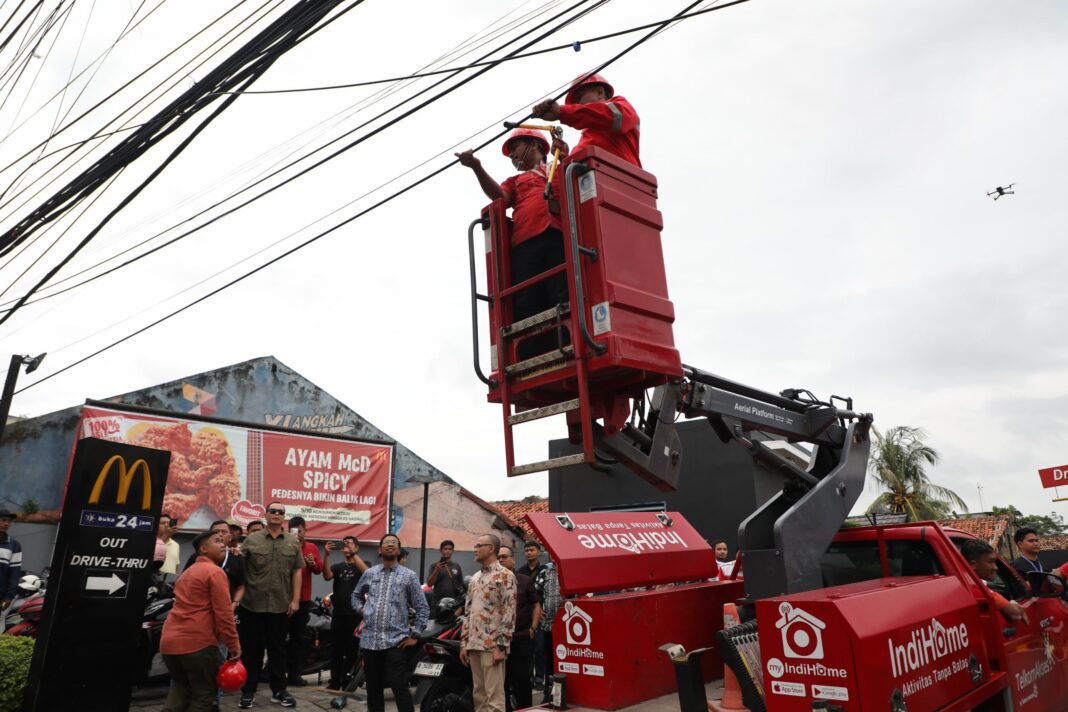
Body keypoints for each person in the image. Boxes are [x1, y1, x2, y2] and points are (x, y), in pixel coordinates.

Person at [456, 130, 570, 359]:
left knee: (560, 294)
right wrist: (477, 167)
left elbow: (576, 178)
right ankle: (531, 355)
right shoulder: (515, 181)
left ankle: (565, 346)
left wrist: (565, 154)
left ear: (535, 145)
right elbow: (500, 197)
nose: (511, 156)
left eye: (515, 147)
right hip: (525, 243)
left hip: (555, 234)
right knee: (528, 300)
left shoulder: (560, 167)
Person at [159, 530, 242, 712]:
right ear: (203, 549)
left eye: (223, 541)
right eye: (217, 541)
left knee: (180, 691)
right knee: (203, 696)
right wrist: (234, 645)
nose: (223, 544)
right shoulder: (214, 572)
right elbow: (224, 614)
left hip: (169, 644)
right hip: (197, 645)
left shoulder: (187, 573)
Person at [237, 502, 304, 709]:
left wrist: (295, 600)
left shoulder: (292, 543)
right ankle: (248, 692)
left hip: (280, 606)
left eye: (281, 512)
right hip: (251, 605)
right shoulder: (252, 540)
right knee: (251, 651)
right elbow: (241, 570)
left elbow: (297, 571)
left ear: (284, 517)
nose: (276, 514)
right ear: (266, 515)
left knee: (278, 651)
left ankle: (279, 691)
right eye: (273, 511)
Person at [353, 533, 429, 712]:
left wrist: (416, 634)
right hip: (370, 640)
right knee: (373, 688)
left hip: (395, 641)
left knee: (399, 686)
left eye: (394, 543)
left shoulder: (409, 576)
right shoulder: (369, 573)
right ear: (380, 549)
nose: (390, 545)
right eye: (386, 542)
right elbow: (355, 596)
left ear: (398, 549)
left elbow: (422, 607)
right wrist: (362, 610)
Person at [532, 72, 641, 167]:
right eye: (574, 104)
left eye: (579, 97)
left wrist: (562, 112)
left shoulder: (621, 106)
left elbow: (608, 115)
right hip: (602, 186)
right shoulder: (586, 138)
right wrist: (565, 158)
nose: (577, 105)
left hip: (625, 182)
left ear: (600, 92)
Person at [461, 534, 517, 712]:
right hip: (474, 644)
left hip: (493, 645)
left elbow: (509, 612)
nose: (475, 549)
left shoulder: (505, 576)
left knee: (494, 698)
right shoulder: (475, 578)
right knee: (479, 695)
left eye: (479, 545)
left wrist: (501, 645)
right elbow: (468, 612)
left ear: (491, 549)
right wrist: (464, 643)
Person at [323, 536, 369, 690]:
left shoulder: (362, 564)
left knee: (351, 650)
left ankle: (348, 682)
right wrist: (327, 555)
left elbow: (367, 573)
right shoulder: (338, 566)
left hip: (355, 615)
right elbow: (327, 575)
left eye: (349, 544)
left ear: (356, 547)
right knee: (336, 650)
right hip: (338, 615)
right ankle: (334, 681)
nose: (346, 547)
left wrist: (353, 554)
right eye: (345, 544)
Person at [499, 546, 540, 712]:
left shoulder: (523, 580)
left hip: (521, 638)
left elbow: (536, 604)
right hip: (500, 641)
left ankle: (525, 709)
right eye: (499, 557)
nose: (501, 560)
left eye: (504, 557)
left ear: (512, 559)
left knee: (522, 680)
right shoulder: (494, 581)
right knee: (503, 682)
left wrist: (533, 628)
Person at [285, 516, 323, 687]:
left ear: (305, 530)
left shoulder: (312, 547)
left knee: (298, 638)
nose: (297, 534)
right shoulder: (284, 545)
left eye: (299, 531)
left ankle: (295, 674)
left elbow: (319, 570)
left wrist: (312, 563)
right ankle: (272, 672)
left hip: (303, 599)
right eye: (293, 531)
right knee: (277, 637)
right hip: (283, 599)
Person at [961, 539, 1027, 623]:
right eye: (991, 562)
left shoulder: (966, 584)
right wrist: (1012, 602)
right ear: (973, 564)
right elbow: (1015, 613)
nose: (996, 567)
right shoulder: (977, 589)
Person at [182, 520, 246, 599]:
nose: (220, 534)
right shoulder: (197, 556)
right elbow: (183, 582)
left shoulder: (237, 557)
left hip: (226, 606)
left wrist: (235, 603)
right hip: (198, 605)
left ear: (230, 537)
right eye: (216, 532)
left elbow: (240, 587)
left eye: (224, 532)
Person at [532, 561, 561, 704]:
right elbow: (534, 592)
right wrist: (538, 609)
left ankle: (565, 695)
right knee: (550, 661)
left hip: (569, 626)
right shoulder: (545, 570)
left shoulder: (570, 568)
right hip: (548, 626)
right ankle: (550, 695)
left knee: (565, 662)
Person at [519, 540, 546, 688]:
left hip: (541, 615)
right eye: (526, 550)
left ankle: (540, 678)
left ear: (539, 552)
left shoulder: (545, 570)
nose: (529, 553)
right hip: (525, 614)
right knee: (526, 649)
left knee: (540, 648)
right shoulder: (520, 572)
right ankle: (528, 677)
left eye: (532, 550)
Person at [427, 539, 465, 607]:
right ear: (441, 550)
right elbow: (429, 584)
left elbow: (460, 584)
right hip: (438, 603)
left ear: (452, 551)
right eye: (445, 549)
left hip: (453, 603)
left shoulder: (456, 566)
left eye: (450, 549)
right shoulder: (434, 566)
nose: (447, 551)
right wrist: (437, 570)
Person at [0, 509, 22, 618]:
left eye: (9, 521)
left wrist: (9, 596)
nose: (6, 524)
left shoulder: (14, 545)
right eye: (3, 520)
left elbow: (14, 573)